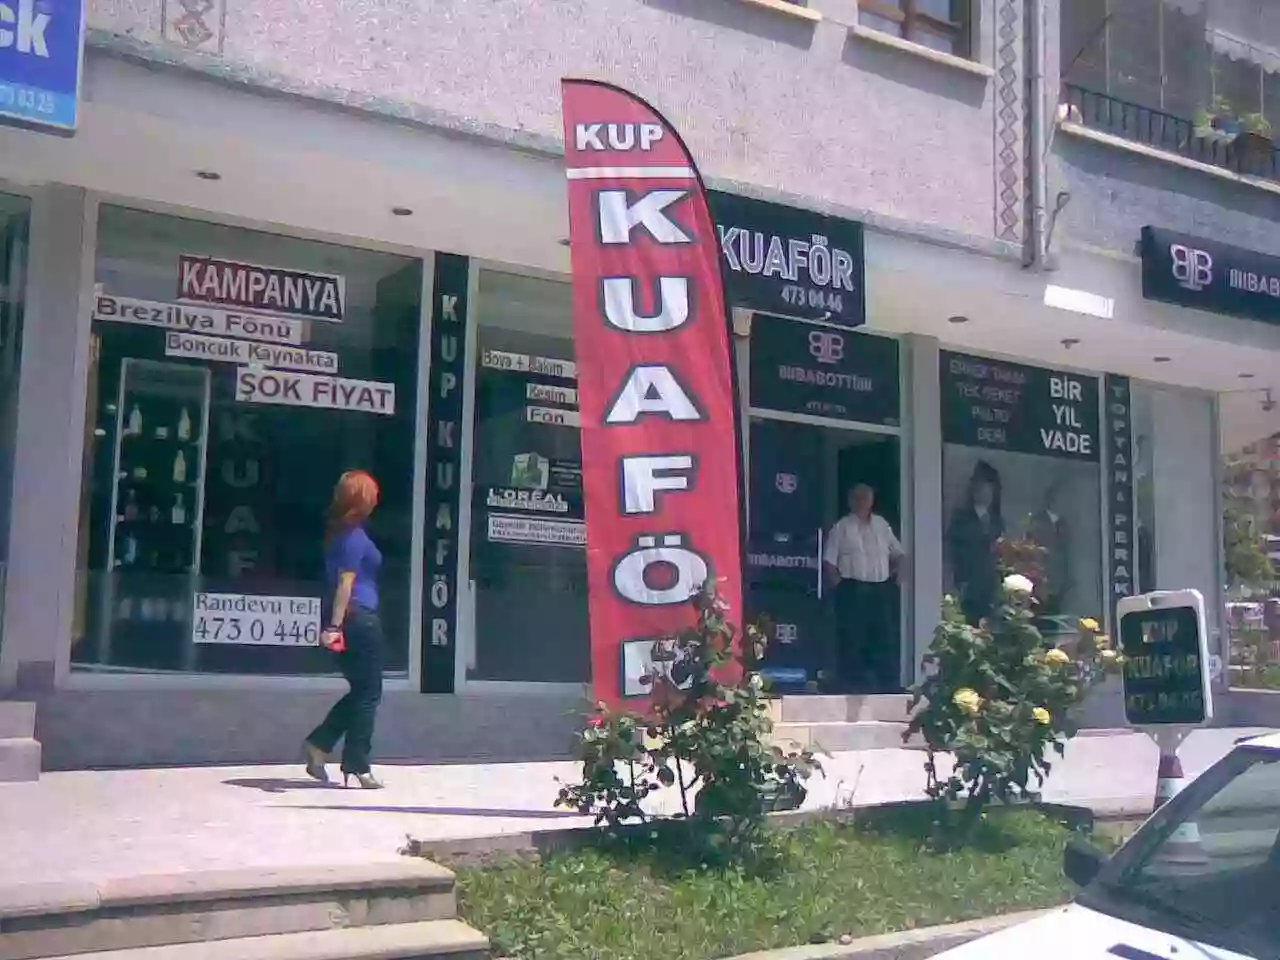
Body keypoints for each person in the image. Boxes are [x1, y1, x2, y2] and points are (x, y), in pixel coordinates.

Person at [302, 469, 386, 789]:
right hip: (358, 617)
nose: (376, 499)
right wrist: (335, 626)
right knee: (369, 693)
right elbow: (345, 583)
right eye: (372, 494)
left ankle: (320, 745)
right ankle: (357, 764)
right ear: (362, 498)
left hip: (351, 617)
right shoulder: (354, 537)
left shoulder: (340, 533)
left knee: (363, 691)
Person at [823, 483, 905, 693]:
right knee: (853, 638)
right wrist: (840, 587)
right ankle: (852, 685)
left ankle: (887, 686)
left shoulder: (881, 525)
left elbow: (899, 553)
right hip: (853, 589)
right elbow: (829, 562)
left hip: (880, 589)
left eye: (865, 497)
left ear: (872, 501)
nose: (861, 502)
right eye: (857, 498)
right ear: (850, 501)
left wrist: (897, 576)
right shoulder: (841, 527)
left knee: (884, 637)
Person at [947, 461, 1004, 625]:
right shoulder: (961, 517)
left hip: (992, 588)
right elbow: (954, 550)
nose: (986, 493)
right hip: (969, 589)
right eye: (981, 488)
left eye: (989, 488)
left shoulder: (997, 520)